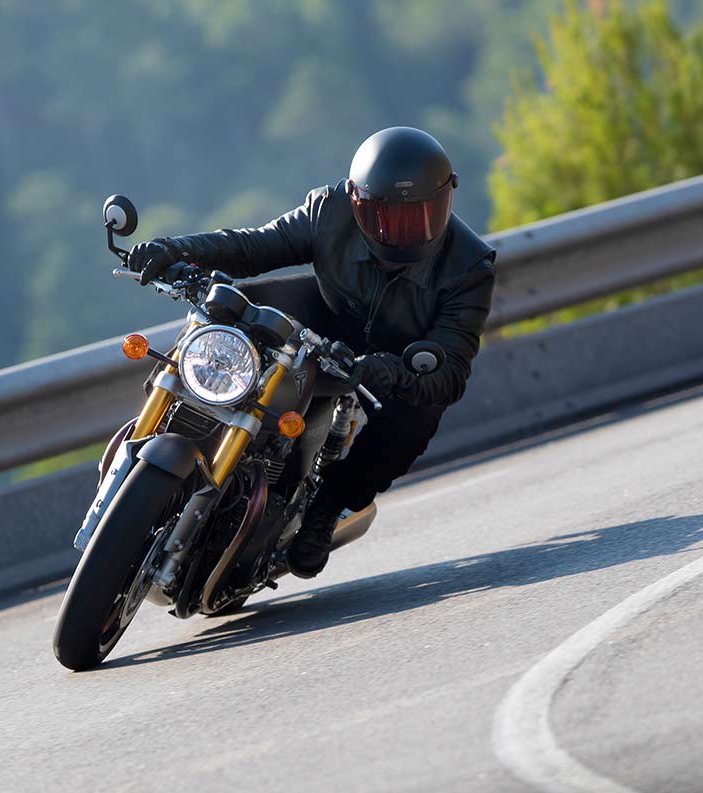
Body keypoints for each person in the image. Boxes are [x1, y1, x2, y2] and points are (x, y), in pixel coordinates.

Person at [125, 127, 496, 578]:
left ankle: (327, 507)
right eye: (385, 217)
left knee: (419, 411)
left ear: (446, 200)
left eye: (417, 217)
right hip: (326, 317)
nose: (400, 234)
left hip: (392, 359)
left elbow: (452, 366)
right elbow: (252, 245)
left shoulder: (470, 266)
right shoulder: (330, 210)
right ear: (357, 202)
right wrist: (174, 250)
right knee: (227, 309)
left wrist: (397, 372)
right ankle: (171, 427)